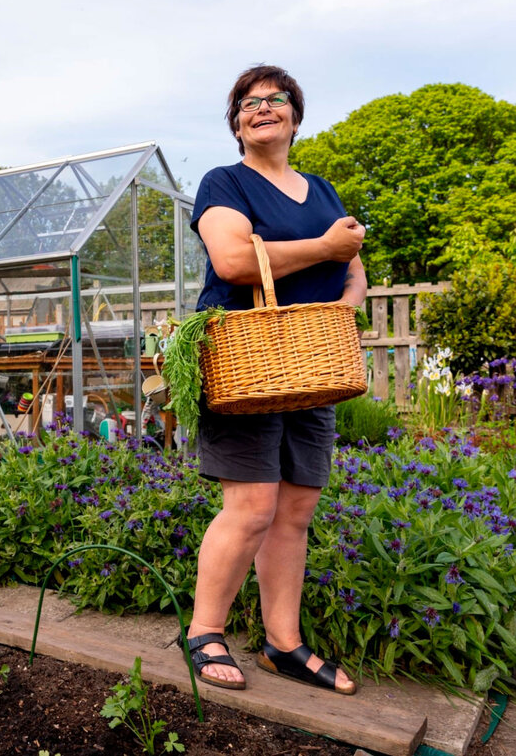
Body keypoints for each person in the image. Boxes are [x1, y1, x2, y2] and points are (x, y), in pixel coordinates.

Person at [182, 64, 367, 695]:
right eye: (248, 103)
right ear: (235, 123)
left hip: (313, 366)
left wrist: (340, 315)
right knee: (253, 505)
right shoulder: (225, 182)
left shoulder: (322, 191)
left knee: (295, 508)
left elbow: (355, 270)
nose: (264, 108)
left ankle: (282, 644)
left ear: (295, 114)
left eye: (276, 99)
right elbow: (233, 261)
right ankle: (204, 632)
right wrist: (322, 249)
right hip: (247, 362)